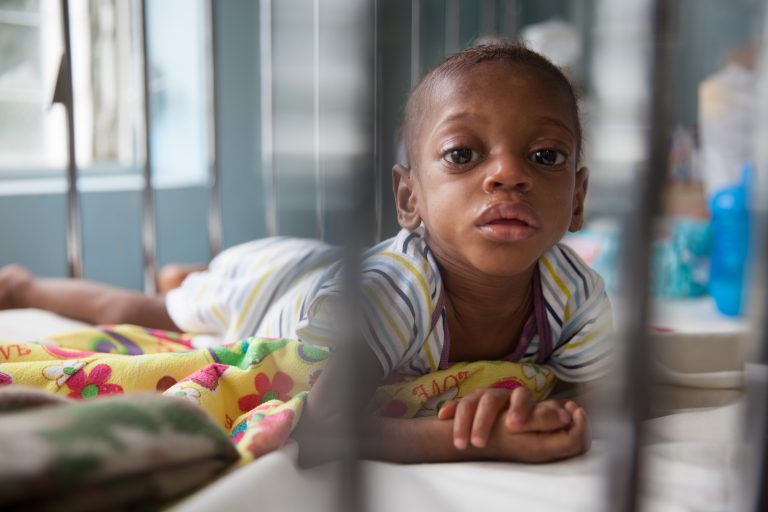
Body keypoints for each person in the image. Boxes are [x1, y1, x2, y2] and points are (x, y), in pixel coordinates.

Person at [0, 43, 612, 464]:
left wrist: (550, 415)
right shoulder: (390, 295)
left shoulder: (573, 292)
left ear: (577, 198)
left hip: (327, 270)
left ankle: (187, 272)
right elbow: (327, 423)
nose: (508, 174)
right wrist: (475, 441)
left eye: (546, 156)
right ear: (410, 198)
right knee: (147, 307)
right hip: (276, 281)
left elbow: (596, 394)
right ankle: (28, 287)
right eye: (462, 154)